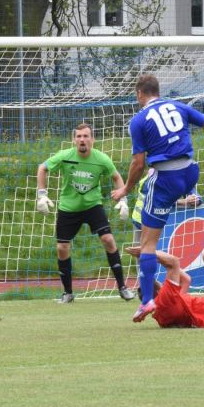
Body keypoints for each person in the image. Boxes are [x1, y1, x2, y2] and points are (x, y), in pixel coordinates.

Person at [112, 73, 204, 322]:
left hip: (166, 177)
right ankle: (187, 197)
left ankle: (147, 299)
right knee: (162, 186)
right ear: (158, 91)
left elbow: (138, 163)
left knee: (148, 242)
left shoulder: (139, 120)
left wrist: (125, 190)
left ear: (140, 94)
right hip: (191, 172)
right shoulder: (179, 106)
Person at [36, 123, 135, 303]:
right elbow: (42, 168)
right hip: (68, 207)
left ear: (92, 139)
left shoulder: (102, 159)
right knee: (62, 247)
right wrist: (41, 195)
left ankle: (123, 287)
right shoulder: (65, 156)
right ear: (74, 140)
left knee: (108, 240)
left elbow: (116, 177)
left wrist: (123, 200)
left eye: (86, 136)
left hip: (92, 206)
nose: (82, 140)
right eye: (79, 136)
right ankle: (68, 293)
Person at [130, 168, 202, 244]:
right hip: (143, 220)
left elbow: (195, 194)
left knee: (152, 251)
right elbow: (157, 199)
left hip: (162, 221)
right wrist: (183, 202)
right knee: (143, 251)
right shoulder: (154, 176)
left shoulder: (181, 174)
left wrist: (195, 200)